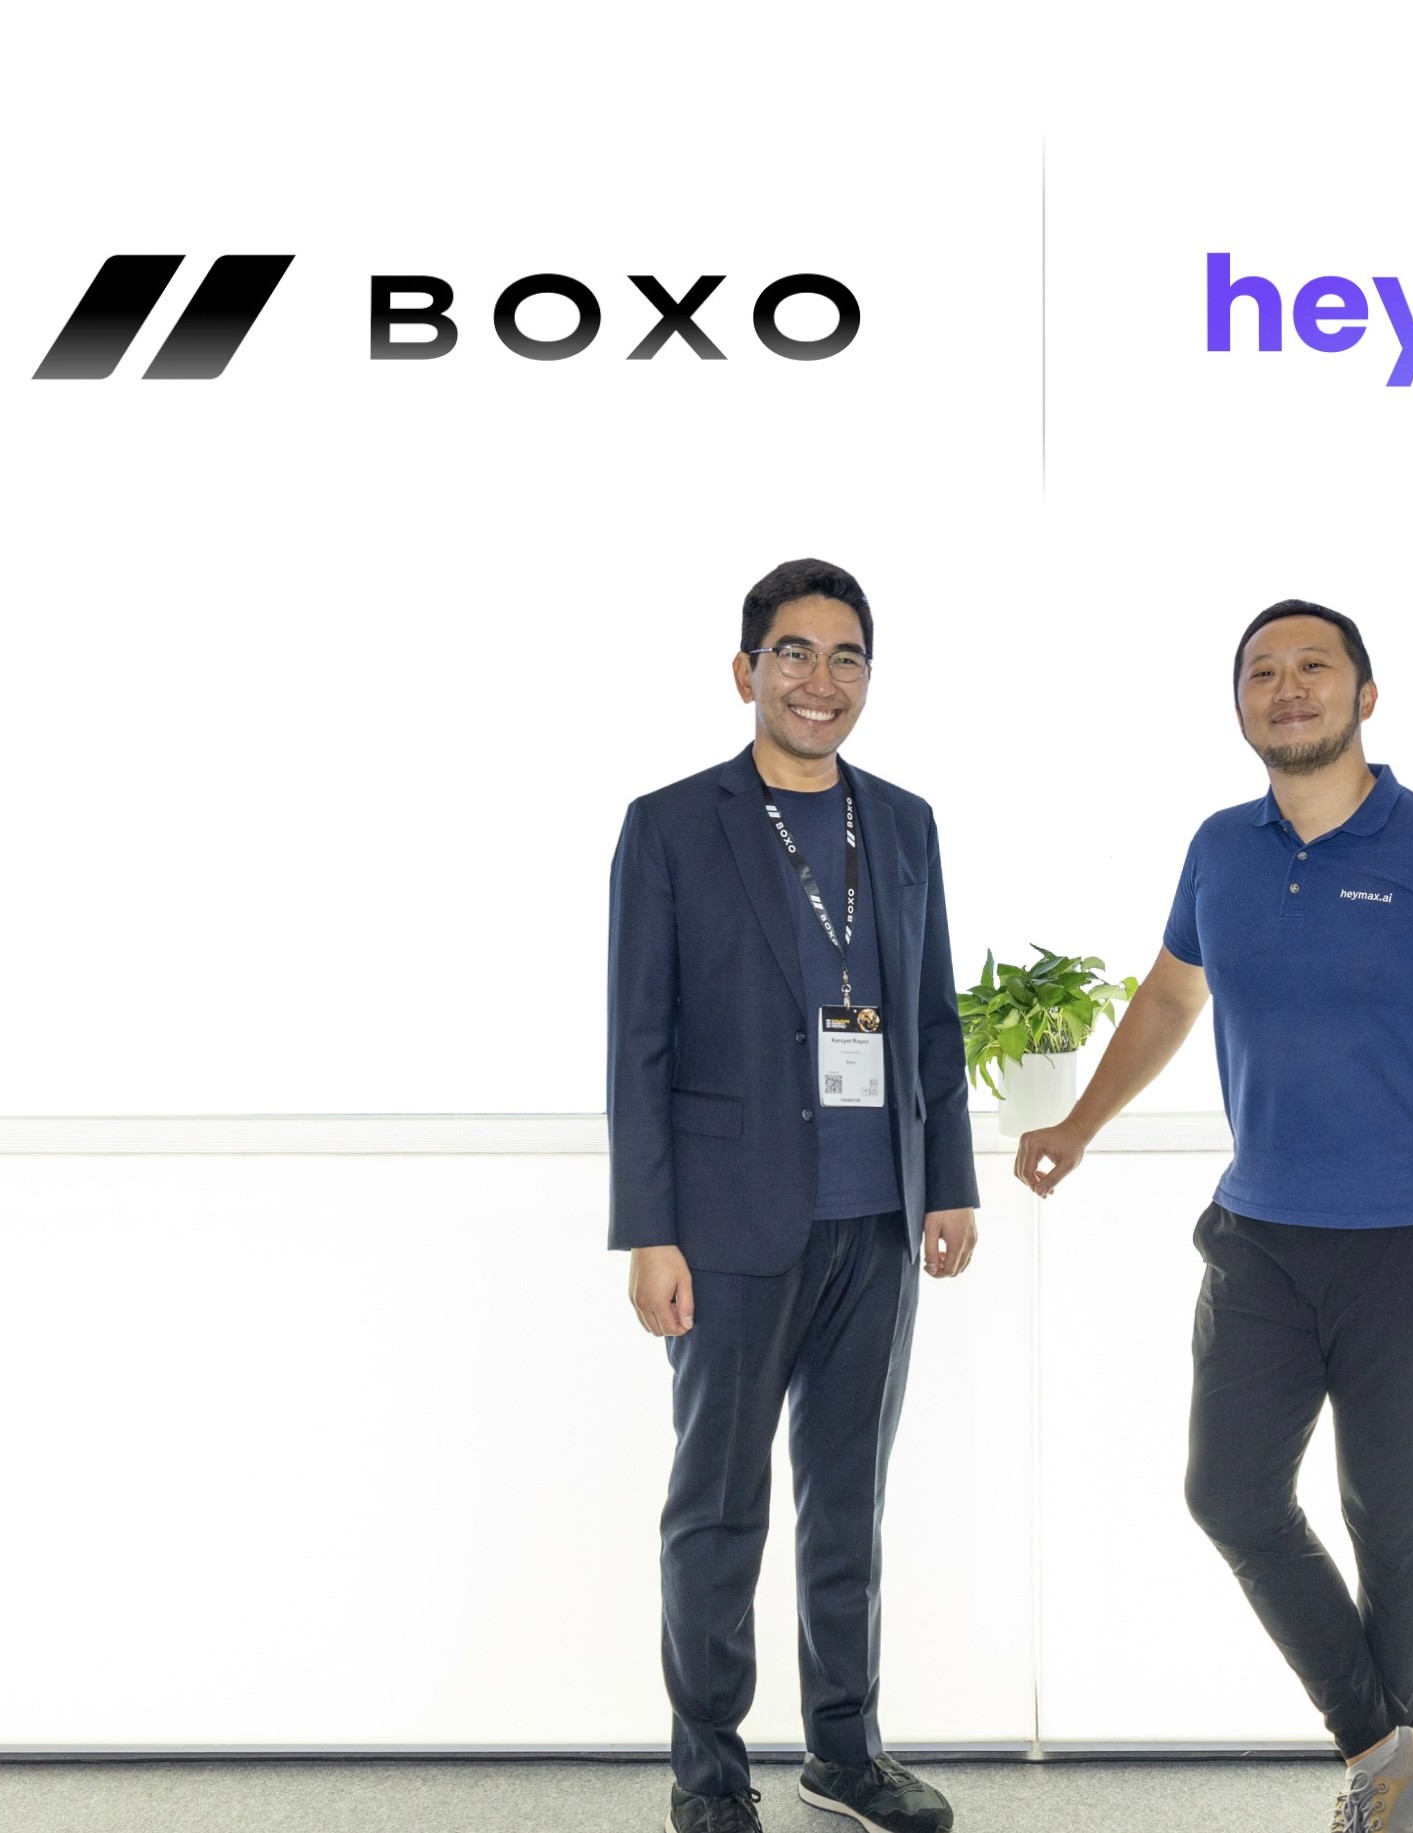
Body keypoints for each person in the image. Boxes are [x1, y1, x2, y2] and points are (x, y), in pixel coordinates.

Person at [1016, 602, 1413, 1833]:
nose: (1286, 686)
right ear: (1239, 704)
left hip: (1411, 1241)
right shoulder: (1219, 848)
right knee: (1229, 1493)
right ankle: (1386, 1753)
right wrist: (1078, 1124)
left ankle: (1382, 1793)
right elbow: (1168, 997)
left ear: (1366, 695)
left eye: (1313, 666)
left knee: (1389, 1520)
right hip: (1257, 1235)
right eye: (1261, 671)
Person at [608, 559, 979, 1833]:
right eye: (794, 654)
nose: (821, 682)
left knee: (847, 1501)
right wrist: (649, 1230)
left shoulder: (905, 823)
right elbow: (637, 1043)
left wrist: (948, 1183)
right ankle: (708, 1774)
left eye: (846, 657)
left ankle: (845, 1754)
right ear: (745, 672)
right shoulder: (671, 825)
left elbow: (930, 1017)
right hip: (728, 1226)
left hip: (878, 1220)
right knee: (717, 1509)